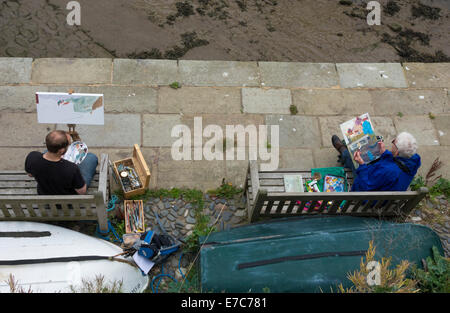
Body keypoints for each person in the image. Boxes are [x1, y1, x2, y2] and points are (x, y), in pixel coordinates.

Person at [331, 132, 421, 192]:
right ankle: (346, 150)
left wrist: (362, 164)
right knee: (371, 150)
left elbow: (365, 186)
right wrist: (385, 153)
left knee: (351, 158)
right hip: (387, 183)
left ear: (397, 152)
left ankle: (343, 151)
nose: (392, 142)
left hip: (369, 197)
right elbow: (397, 163)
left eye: (394, 142)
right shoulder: (414, 158)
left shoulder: (387, 171)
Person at [25, 130, 98, 195]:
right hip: (68, 201)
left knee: (45, 153)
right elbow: (82, 192)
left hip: (44, 194)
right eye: (69, 145)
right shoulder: (71, 168)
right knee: (91, 157)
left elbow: (30, 174)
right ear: (61, 151)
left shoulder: (33, 157)